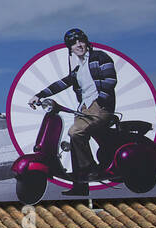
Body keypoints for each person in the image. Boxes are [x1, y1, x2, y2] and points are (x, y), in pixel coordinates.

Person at [27, 28, 117, 196]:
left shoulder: (100, 57)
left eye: (81, 41)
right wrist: (39, 95)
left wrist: (101, 101)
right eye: (74, 43)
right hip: (85, 109)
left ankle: (92, 170)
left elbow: (110, 80)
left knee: (75, 132)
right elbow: (62, 83)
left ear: (86, 42)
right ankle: (80, 186)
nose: (78, 45)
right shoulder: (78, 69)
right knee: (74, 142)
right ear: (70, 48)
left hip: (100, 107)